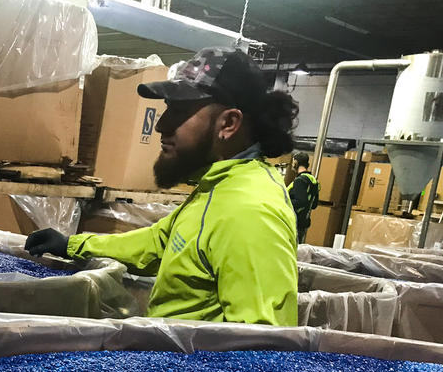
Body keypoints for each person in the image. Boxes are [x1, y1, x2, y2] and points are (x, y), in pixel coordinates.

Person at [25, 47, 299, 326]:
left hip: (187, 368)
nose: (161, 125)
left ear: (228, 123)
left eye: (179, 111)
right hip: (164, 359)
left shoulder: (250, 211)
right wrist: (72, 245)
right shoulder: (219, 186)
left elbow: (263, 346)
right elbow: (158, 243)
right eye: (168, 108)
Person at [288, 152, 320, 243]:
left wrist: (285, 202)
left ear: (296, 163)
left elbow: (301, 201)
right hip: (303, 222)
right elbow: (314, 204)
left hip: (294, 222)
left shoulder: (300, 181)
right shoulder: (312, 180)